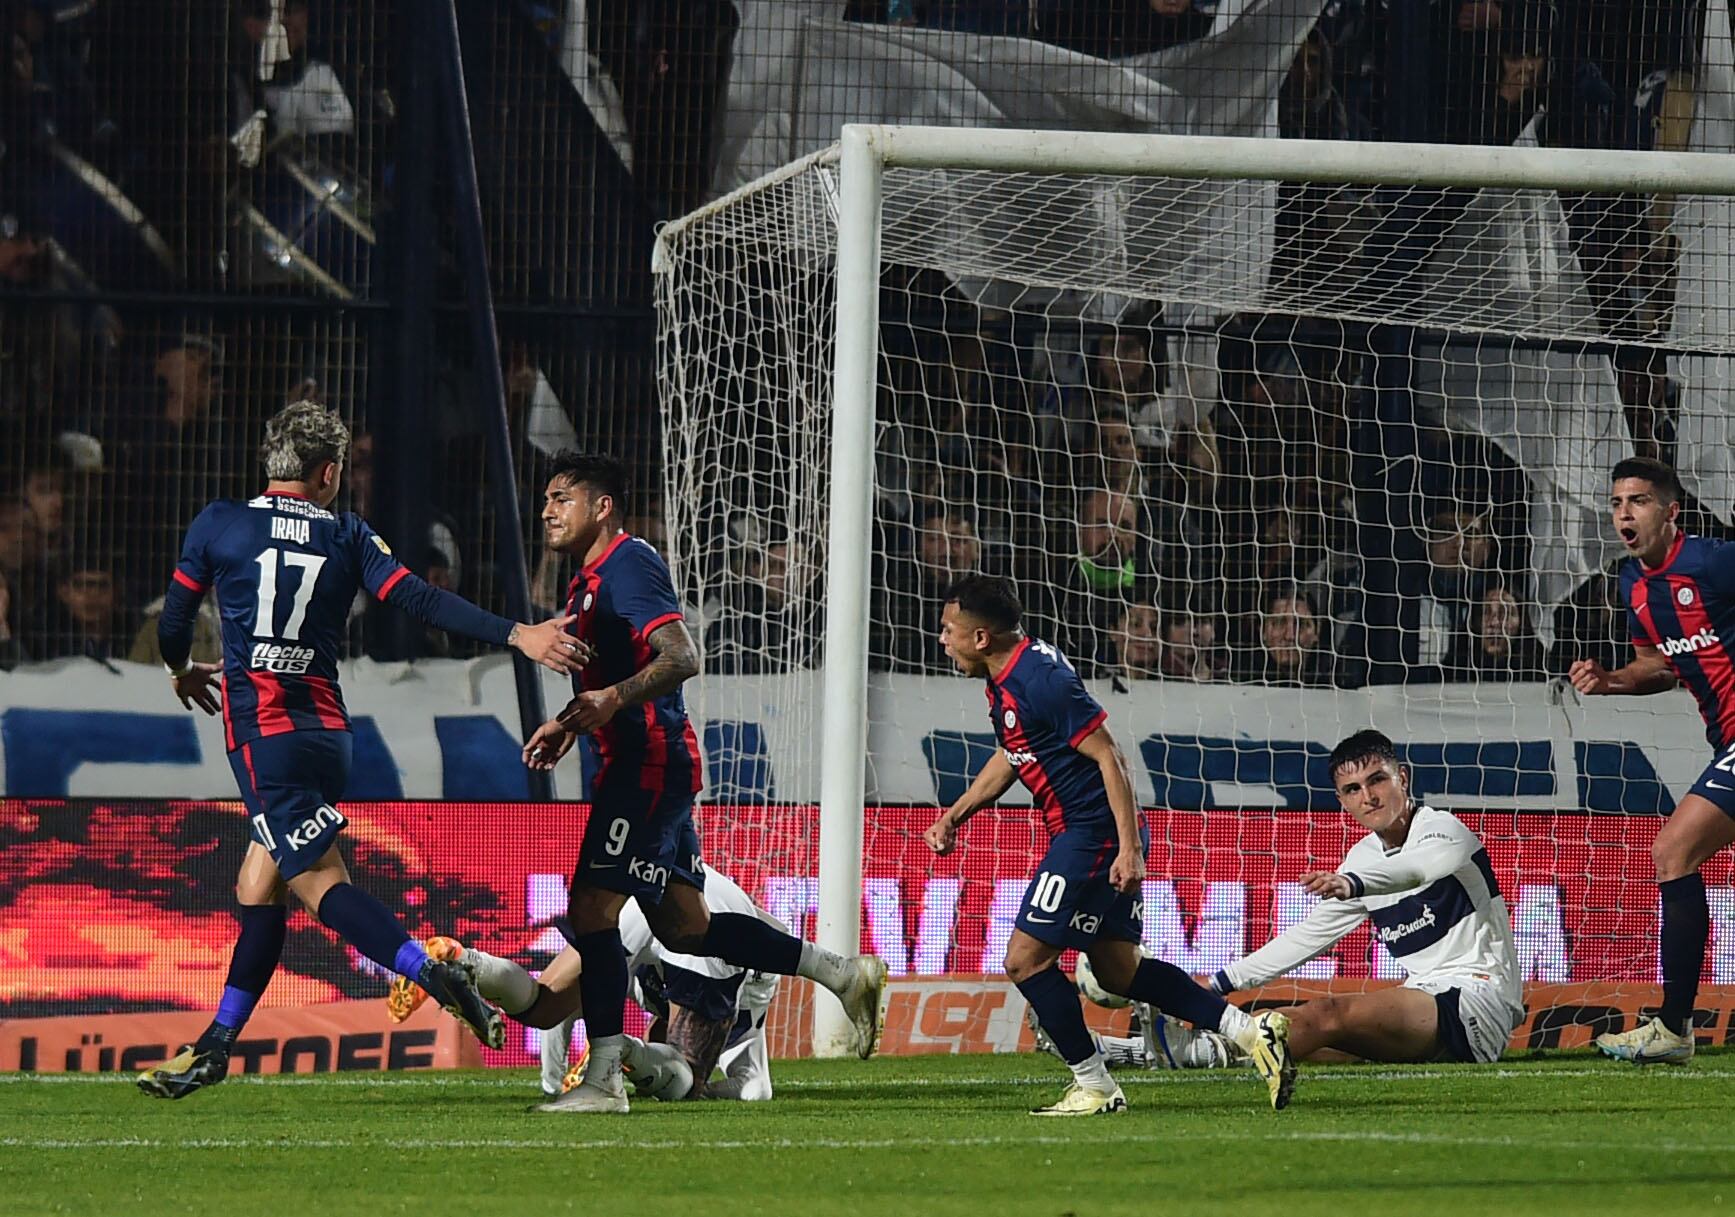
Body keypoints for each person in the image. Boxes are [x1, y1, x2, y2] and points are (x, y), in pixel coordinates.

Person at [135, 401, 586, 1100]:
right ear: (328, 472)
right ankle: (215, 1046)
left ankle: (430, 972)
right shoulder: (348, 533)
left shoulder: (219, 521)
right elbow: (421, 601)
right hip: (328, 736)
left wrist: (179, 670)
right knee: (258, 884)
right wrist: (517, 633)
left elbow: (172, 623)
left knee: (319, 884)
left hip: (266, 739)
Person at [520, 451, 888, 1114]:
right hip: (644, 766)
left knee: (592, 914)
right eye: (545, 498)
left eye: (562, 497)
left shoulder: (628, 563)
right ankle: (838, 970)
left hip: (648, 770)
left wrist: (609, 699)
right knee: (687, 926)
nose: (547, 509)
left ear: (602, 507)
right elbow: (612, 690)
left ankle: (602, 1079)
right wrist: (571, 721)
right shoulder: (584, 585)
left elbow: (683, 656)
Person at [923, 574, 1293, 1115]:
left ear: (981, 638)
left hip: (1091, 833)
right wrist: (956, 815)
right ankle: (1251, 1031)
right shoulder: (1007, 676)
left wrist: (1128, 849)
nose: (942, 639)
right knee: (1121, 971)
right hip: (1091, 834)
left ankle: (1094, 1085)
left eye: (949, 630)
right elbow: (1013, 753)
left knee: (1025, 961)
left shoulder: (1040, 679)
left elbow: (1110, 757)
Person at [1210, 730, 1524, 1065]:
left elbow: (1417, 868)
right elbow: (1305, 938)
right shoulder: (1361, 860)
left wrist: (1354, 883)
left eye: (1377, 780)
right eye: (1353, 789)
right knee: (1304, 1042)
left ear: (1402, 778)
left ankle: (1205, 1052)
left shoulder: (1443, 830)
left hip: (1477, 998)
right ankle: (1201, 1053)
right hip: (1421, 999)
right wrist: (1218, 984)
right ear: (1343, 801)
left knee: (1328, 1013)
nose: (1369, 797)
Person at [1570, 456, 1735, 1064]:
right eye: (1616, 503)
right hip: (1725, 742)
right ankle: (1675, 1027)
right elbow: (1659, 666)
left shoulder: (1715, 562)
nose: (1623, 514)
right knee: (1676, 854)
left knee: (1673, 850)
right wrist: (1610, 680)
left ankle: (1673, 1027)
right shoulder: (1632, 586)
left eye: (1637, 501)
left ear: (1670, 512)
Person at [387, 868, 785, 1104]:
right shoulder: (745, 1010)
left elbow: (558, 1014)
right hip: (710, 928)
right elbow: (754, 1087)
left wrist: (552, 1083)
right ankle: (622, 1050)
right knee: (686, 1081)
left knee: (543, 1003)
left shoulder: (642, 979)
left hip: (643, 889)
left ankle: (463, 959)